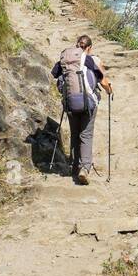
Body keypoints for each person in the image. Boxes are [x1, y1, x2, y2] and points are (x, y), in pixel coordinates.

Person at [51, 35, 113, 184]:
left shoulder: (65, 58)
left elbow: (54, 73)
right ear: (89, 48)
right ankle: (84, 168)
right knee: (86, 134)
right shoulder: (88, 59)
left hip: (70, 103)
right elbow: (101, 79)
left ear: (77, 45)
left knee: (74, 133)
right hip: (88, 103)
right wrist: (109, 90)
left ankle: (74, 166)